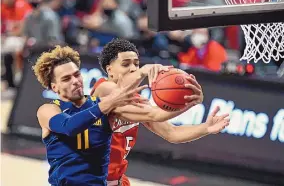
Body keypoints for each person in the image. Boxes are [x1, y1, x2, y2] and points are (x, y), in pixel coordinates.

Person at [90, 38, 230, 186]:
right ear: (109, 69)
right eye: (126, 64)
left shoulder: (137, 100)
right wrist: (143, 72)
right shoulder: (104, 89)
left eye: (136, 64)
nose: (133, 68)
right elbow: (153, 113)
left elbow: (172, 133)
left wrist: (204, 127)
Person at [33, 45, 159, 185]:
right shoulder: (48, 109)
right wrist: (140, 74)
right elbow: (69, 126)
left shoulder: (101, 104)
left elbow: (154, 115)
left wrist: (186, 102)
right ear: (54, 87)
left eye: (77, 74)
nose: (75, 81)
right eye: (66, 79)